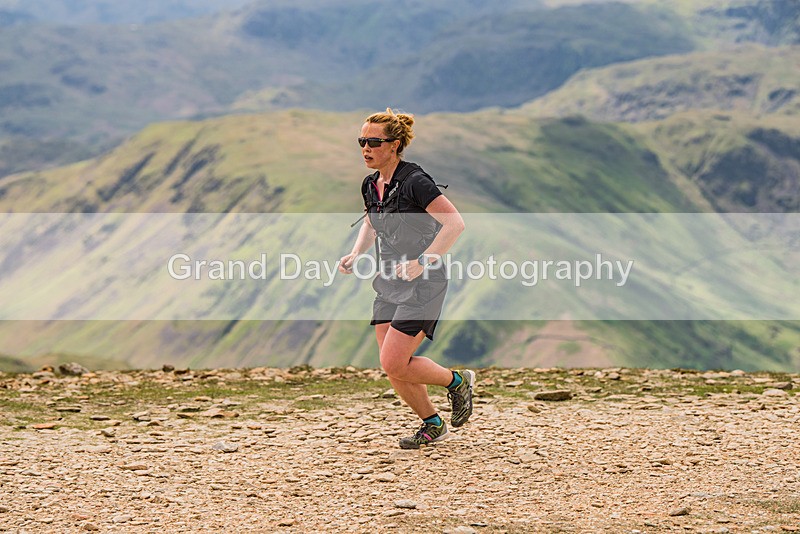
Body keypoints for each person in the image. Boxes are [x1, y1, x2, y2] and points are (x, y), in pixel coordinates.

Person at [338, 108, 475, 449]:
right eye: (361, 141)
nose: (365, 149)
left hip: (424, 282)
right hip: (389, 281)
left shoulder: (415, 181)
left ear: (395, 145)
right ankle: (432, 423)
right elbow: (372, 222)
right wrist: (356, 253)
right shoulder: (371, 184)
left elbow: (455, 223)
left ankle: (457, 381)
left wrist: (423, 261)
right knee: (393, 367)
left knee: (393, 360)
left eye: (373, 142)